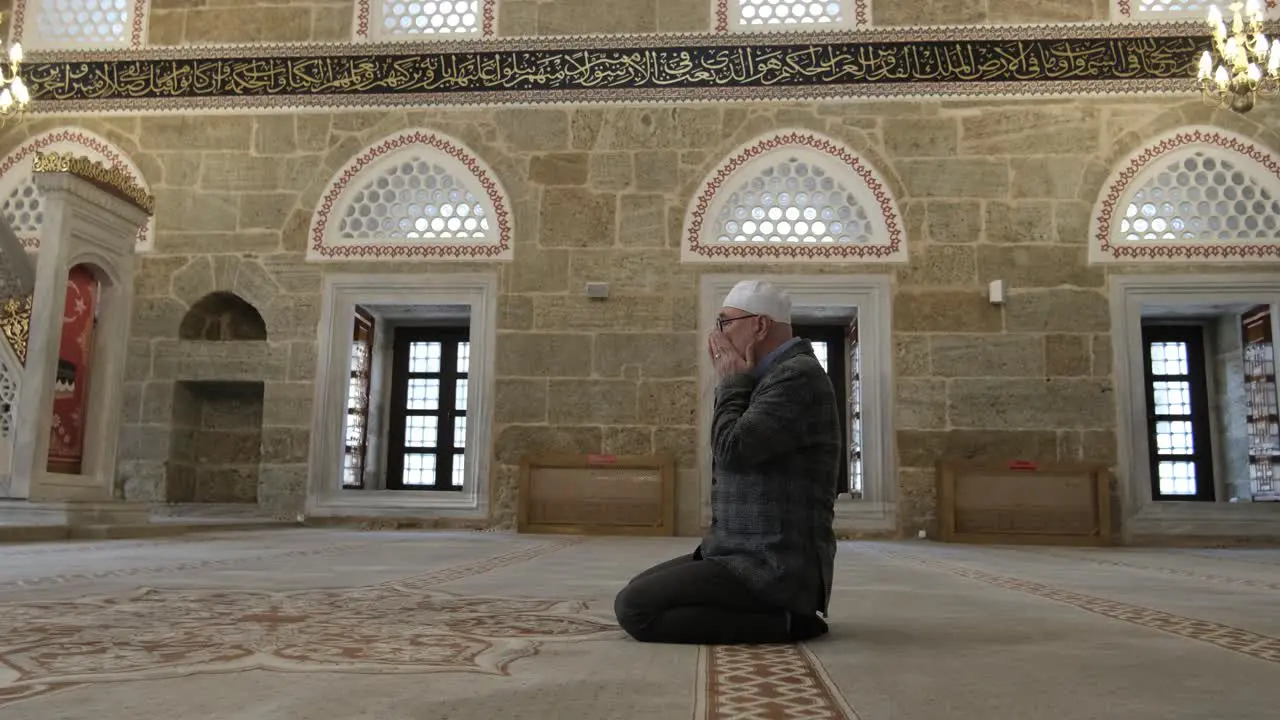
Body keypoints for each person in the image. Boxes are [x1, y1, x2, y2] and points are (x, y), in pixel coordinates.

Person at [613, 279, 842, 645]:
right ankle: (775, 614)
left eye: (724, 323)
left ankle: (787, 622)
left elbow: (733, 450)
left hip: (772, 564)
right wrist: (740, 382)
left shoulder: (796, 377)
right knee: (640, 588)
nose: (715, 336)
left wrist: (731, 383)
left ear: (760, 325)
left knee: (635, 609)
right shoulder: (769, 376)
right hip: (738, 551)